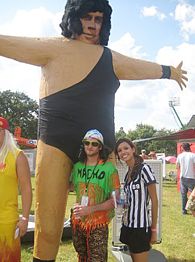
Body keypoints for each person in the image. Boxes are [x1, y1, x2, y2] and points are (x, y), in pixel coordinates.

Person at [0, 0, 188, 260]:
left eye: (98, 19)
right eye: (87, 17)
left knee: (96, 224)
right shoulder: (53, 47)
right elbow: (10, 43)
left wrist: (169, 71)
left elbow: (138, 66)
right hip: (55, 142)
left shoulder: (110, 57)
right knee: (48, 226)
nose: (91, 25)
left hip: (100, 149)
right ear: (74, 18)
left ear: (104, 23)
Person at [70, 129, 120, 262]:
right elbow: (70, 187)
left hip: (98, 223)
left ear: (100, 147)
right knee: (81, 255)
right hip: (78, 220)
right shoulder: (77, 167)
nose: (90, 146)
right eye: (87, 143)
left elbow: (115, 201)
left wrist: (90, 209)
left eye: (94, 144)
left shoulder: (110, 169)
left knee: (97, 259)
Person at [115, 138, 158, 262]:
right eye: (119, 150)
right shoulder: (128, 174)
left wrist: (153, 230)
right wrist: (121, 204)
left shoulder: (144, 169)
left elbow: (154, 201)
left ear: (133, 149)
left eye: (126, 148)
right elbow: (131, 200)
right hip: (128, 225)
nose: (123, 152)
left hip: (140, 227)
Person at [0, 116, 32, 262]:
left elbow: (26, 189)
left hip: (7, 222)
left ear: (5, 133)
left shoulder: (18, 156)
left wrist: (25, 218)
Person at [176, 143, 195, 215]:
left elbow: (177, 166)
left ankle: (184, 211)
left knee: (183, 195)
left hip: (183, 177)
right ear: (189, 148)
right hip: (192, 177)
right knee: (193, 195)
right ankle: (193, 209)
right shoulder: (193, 155)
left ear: (182, 148)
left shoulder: (180, 156)